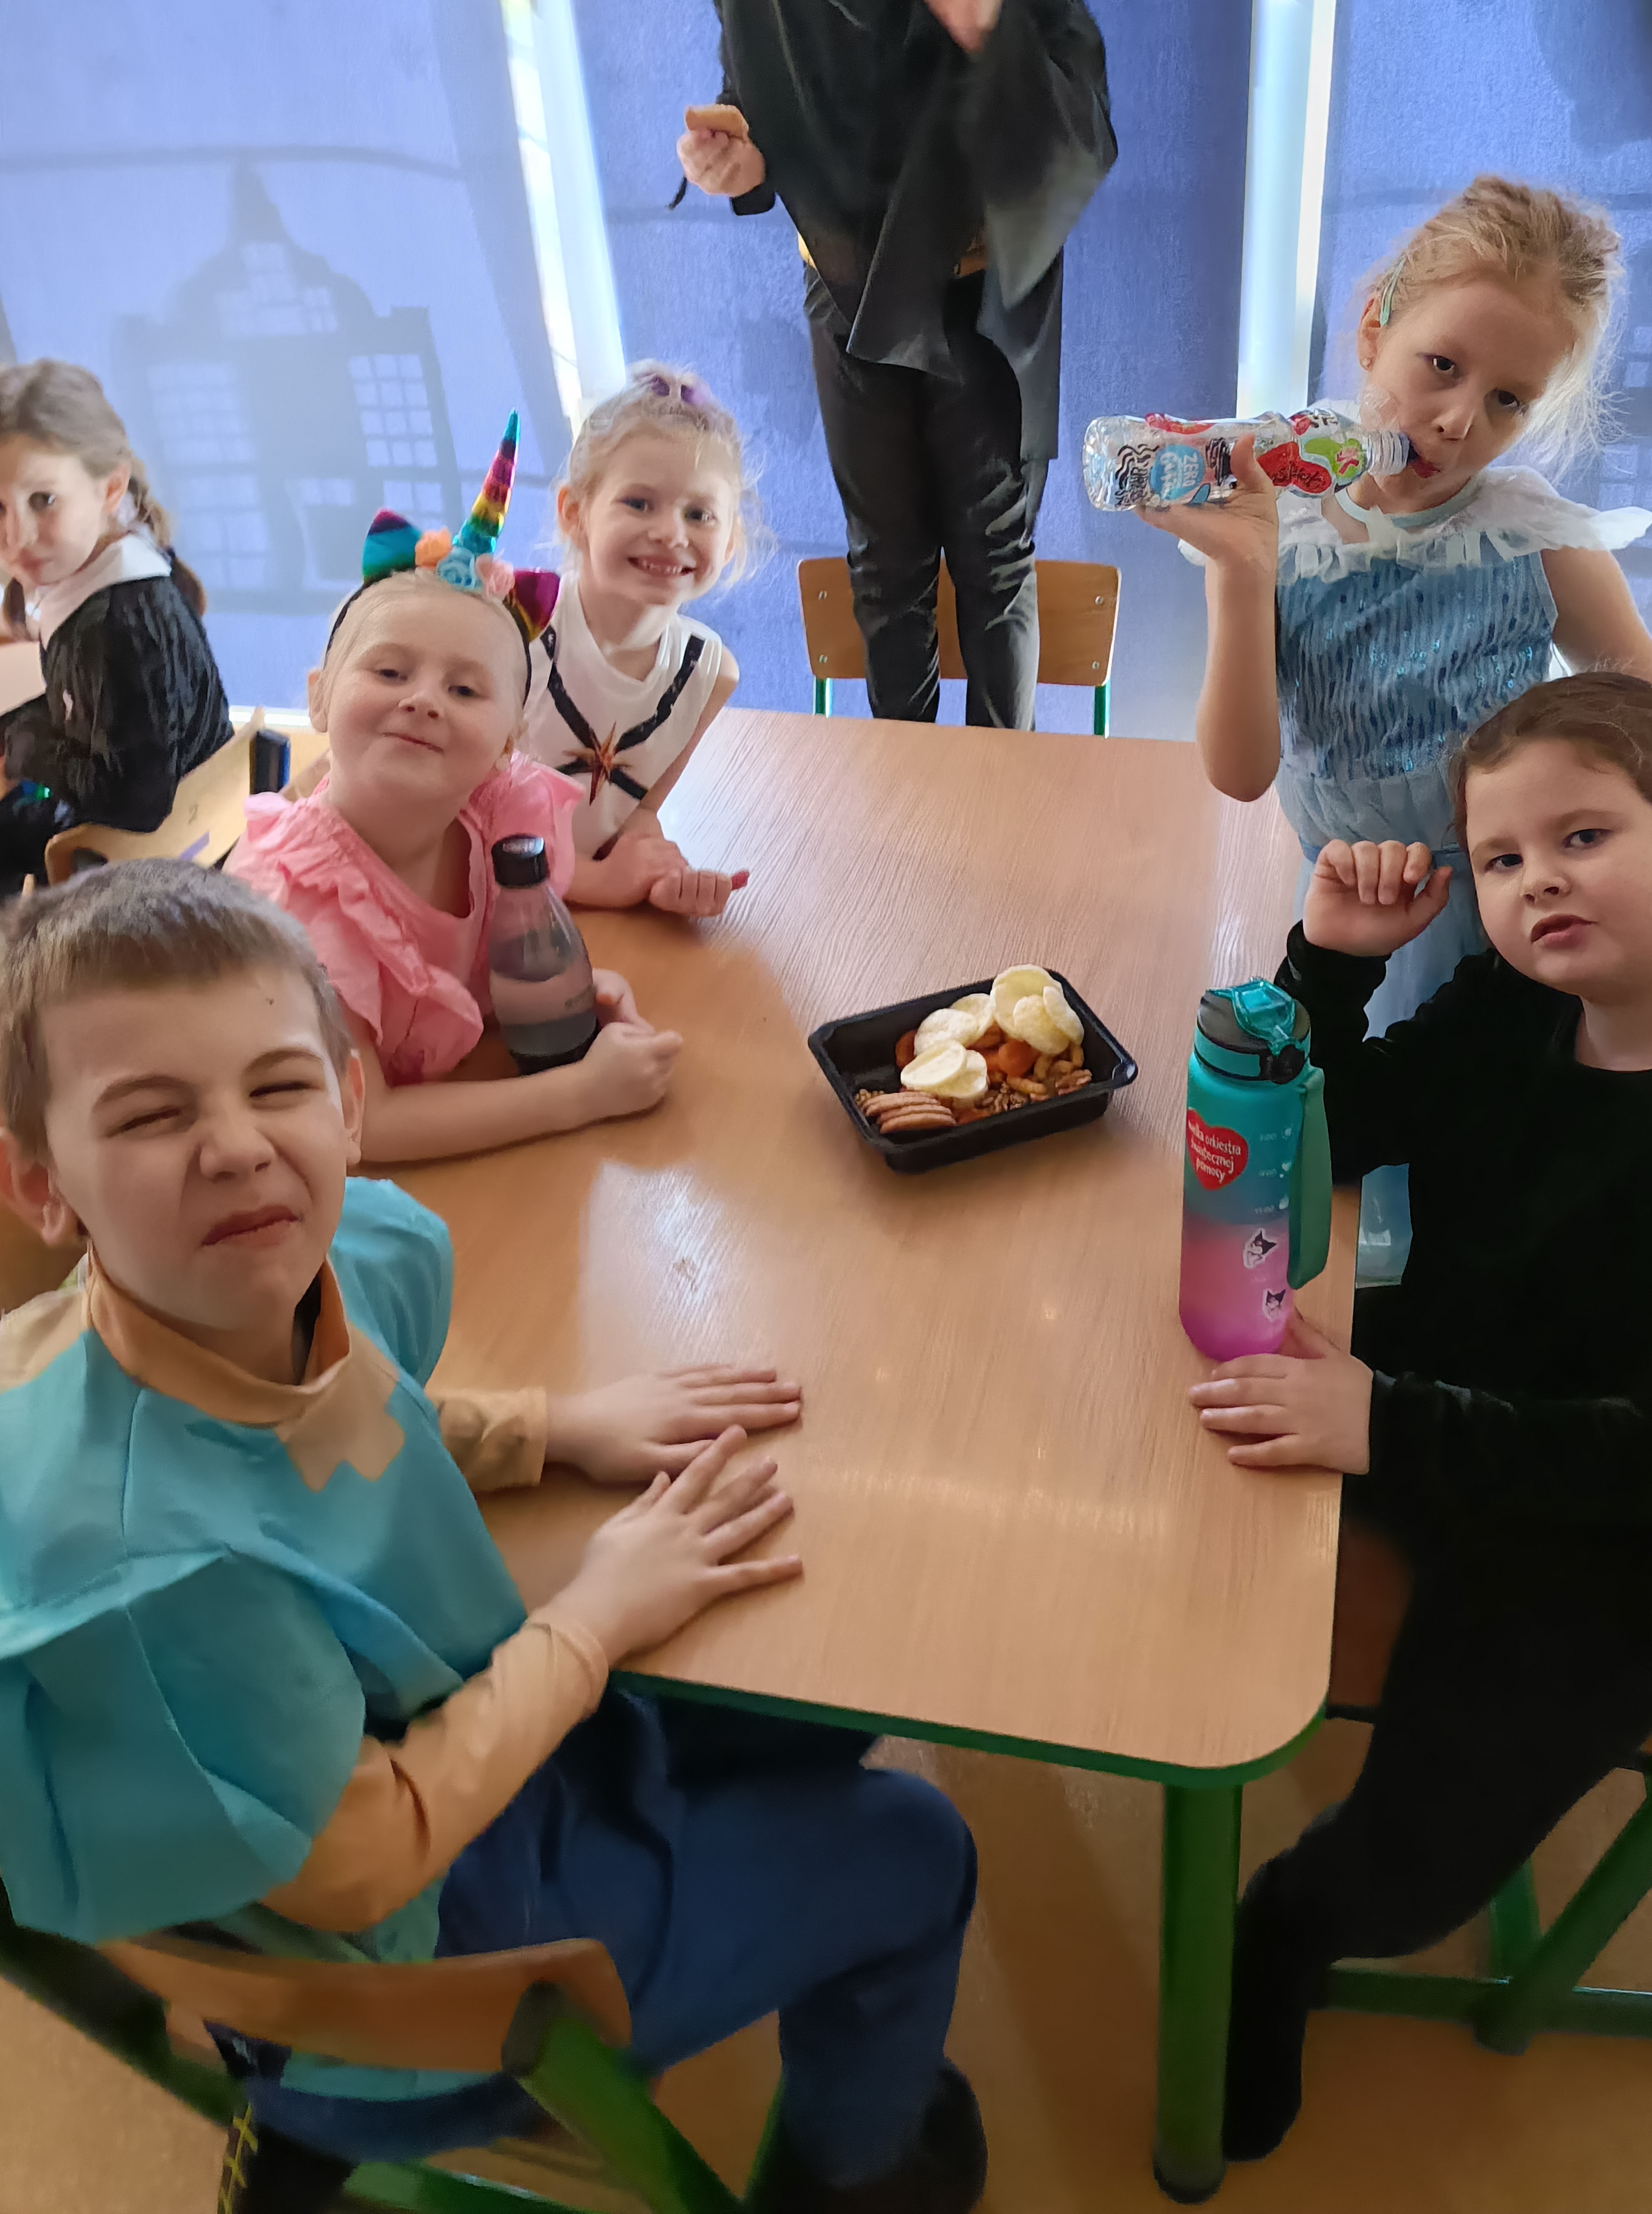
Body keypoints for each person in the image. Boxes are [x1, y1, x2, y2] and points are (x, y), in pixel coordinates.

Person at [0, 861, 983, 2214]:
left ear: (349, 1104)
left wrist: (549, 1427)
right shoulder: (151, 1571)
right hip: (412, 1971)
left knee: (830, 1674)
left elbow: (327, 1428)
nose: (235, 1145)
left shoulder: (266, 1278)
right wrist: (593, 1620)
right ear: (42, 1184)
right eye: (152, 1113)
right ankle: (853, 2175)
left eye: (277, 1086)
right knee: (915, 1851)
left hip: (359, 1764)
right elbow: (361, 1863)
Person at [1185, 672, 1652, 2161]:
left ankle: (1285, 1929)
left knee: (1406, 1868)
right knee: (1179, 1424)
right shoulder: (1527, 998)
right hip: (1454, 1395)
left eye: (1582, 836)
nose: (1535, 883)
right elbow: (1350, 1127)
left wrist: (1385, 1424)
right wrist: (1332, 963)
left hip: (1613, 1538)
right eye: (1500, 859)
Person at [1144, 175, 1652, 1280]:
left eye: (1509, 400)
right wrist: (1240, 570)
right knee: (1332, 1163)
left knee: (1482, 1178)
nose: (1458, 421)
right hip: (1349, 905)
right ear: (1374, 328)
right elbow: (1241, 772)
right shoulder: (1276, 511)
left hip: (1517, 924)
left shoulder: (1530, 538)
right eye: (1441, 365)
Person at [676, 0, 1115, 730]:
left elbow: (1081, 121)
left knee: (996, 554)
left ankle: (1006, 777)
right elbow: (759, 109)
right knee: (885, 558)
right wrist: (739, 159)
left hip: (984, 295)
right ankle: (899, 773)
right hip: (852, 293)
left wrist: (987, 28)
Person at [229, 431, 679, 1163]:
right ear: (318, 698)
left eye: (465, 689)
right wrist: (582, 1094)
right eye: (389, 672)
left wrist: (576, 995)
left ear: (508, 744)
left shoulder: (490, 820)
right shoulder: (300, 902)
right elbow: (366, 1126)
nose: (424, 701)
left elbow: (473, 989)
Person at [521, 364, 750, 915]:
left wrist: (660, 874)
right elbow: (455, 818)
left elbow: (634, 813)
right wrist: (599, 883)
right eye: (640, 503)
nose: (671, 533)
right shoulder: (516, 630)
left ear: (731, 541)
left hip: (580, 926)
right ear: (574, 514)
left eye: (699, 514)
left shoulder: (708, 674)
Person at [0, 359, 230, 890]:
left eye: (43, 501)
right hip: (163, 833)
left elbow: (136, 802)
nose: (17, 537)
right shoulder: (111, 572)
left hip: (149, 865)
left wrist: (26, 746)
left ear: (109, 489)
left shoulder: (118, 627)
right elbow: (94, 714)